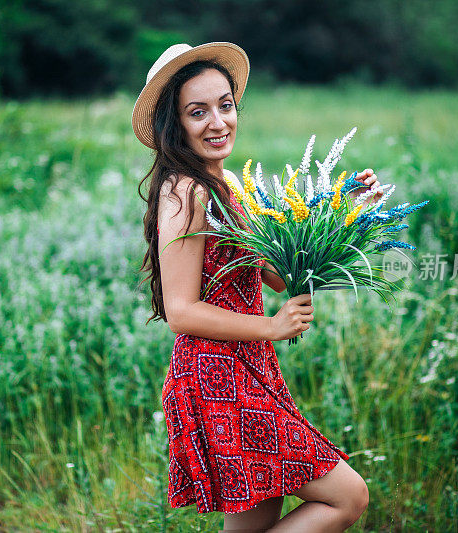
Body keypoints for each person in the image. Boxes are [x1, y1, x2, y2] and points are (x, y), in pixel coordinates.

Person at [134, 42, 379, 532]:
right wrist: (270, 325)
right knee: (347, 497)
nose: (217, 122)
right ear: (173, 124)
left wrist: (342, 207)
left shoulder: (223, 184)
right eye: (197, 112)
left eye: (225, 105)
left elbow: (275, 271)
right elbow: (181, 311)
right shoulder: (188, 190)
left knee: (254, 524)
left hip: (246, 369)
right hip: (215, 378)